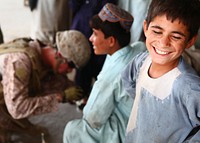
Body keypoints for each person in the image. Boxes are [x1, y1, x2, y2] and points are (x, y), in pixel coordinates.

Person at [63, 3, 146, 143]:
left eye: (95, 34)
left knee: (72, 130)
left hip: (126, 128)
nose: (90, 39)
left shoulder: (110, 77)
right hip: (139, 117)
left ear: (111, 41)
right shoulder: (138, 47)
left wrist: (91, 103)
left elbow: (92, 118)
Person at [118, 0, 200, 142]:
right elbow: (128, 80)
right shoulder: (141, 61)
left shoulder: (189, 87)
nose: (163, 43)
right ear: (145, 28)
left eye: (175, 36)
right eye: (157, 31)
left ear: (190, 41)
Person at [0, 30, 90, 142]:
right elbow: (17, 108)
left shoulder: (42, 52)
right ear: (60, 55)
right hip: (9, 102)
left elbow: (56, 81)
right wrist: (59, 97)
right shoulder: (21, 61)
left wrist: (78, 92)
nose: (70, 70)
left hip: (8, 95)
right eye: (71, 65)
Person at [69, 0, 118, 109]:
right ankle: (84, 97)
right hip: (92, 24)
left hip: (93, 24)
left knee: (93, 63)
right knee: (85, 61)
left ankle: (91, 97)